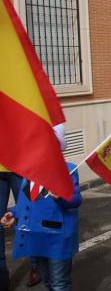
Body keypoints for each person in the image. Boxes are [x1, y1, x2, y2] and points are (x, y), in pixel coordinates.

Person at [1, 123, 82, 291]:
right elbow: (27, 201)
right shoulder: (30, 173)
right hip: (36, 237)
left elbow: (76, 200)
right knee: (48, 280)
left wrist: (62, 197)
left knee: (60, 283)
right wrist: (13, 213)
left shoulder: (68, 170)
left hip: (58, 238)